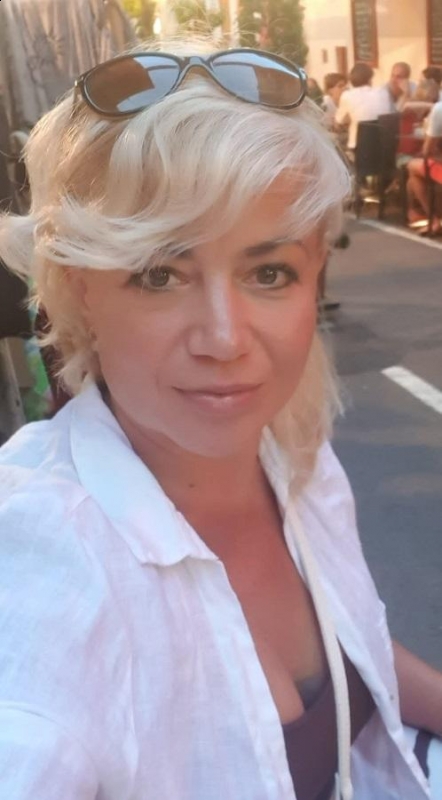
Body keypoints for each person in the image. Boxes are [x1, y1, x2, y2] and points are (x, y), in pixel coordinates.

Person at [0, 41, 441, 800]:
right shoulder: (41, 557)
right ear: (80, 291)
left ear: (314, 278)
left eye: (269, 272)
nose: (226, 339)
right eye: (159, 274)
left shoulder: (294, 454)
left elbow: (356, 649)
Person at [334, 61, 390, 151]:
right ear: (370, 79)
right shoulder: (383, 92)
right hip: (383, 144)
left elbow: (338, 122)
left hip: (359, 146)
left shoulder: (347, 95)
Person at [407, 99, 442, 233]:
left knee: (412, 166)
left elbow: (428, 150)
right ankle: (418, 213)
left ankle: (433, 220)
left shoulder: (439, 109)